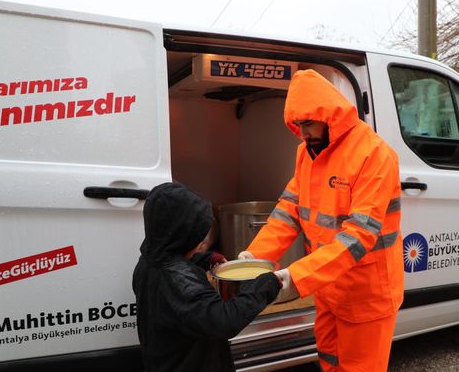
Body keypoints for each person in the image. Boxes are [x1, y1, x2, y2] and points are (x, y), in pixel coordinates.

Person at [238, 69, 404, 371]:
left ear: (330, 117)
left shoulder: (374, 155)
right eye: (298, 126)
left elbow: (358, 237)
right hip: (328, 287)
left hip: (367, 294)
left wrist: (293, 278)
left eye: (308, 124)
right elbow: (288, 211)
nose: (303, 133)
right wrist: (255, 257)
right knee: (329, 361)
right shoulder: (307, 153)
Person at [132, 182, 281, 372]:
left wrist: (205, 258)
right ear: (182, 235)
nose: (202, 241)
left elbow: (174, 264)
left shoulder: (148, 262)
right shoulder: (182, 286)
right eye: (197, 235)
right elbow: (224, 321)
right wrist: (266, 285)